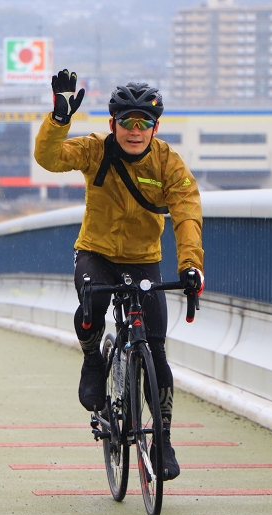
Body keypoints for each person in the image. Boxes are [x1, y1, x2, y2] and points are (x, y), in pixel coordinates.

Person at [34, 69, 205, 482]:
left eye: (143, 123)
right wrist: (59, 119)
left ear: (155, 128)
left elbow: (186, 210)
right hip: (96, 252)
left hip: (144, 259)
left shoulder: (168, 161)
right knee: (91, 300)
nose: (135, 131)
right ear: (113, 124)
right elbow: (49, 158)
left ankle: (162, 437)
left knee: (157, 349)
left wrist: (189, 264)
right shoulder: (96, 151)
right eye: (127, 122)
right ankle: (93, 359)